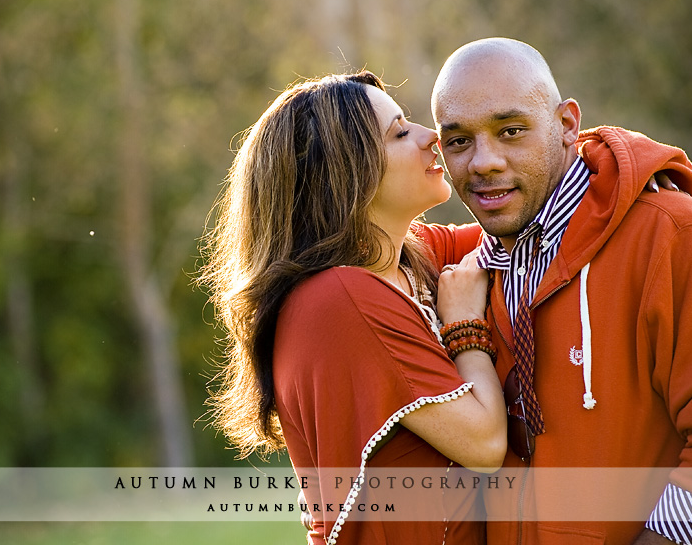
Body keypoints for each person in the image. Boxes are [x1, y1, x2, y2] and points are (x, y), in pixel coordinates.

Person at [420, 37, 692, 544]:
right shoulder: (480, 264)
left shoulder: (678, 239)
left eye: (511, 130)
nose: (483, 162)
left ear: (566, 125)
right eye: (458, 141)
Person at [200, 71, 507, 545]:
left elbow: (538, 215)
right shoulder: (340, 298)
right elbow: (485, 442)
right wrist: (465, 325)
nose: (435, 139)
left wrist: (596, 149)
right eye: (401, 133)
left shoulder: (412, 258)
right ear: (345, 174)